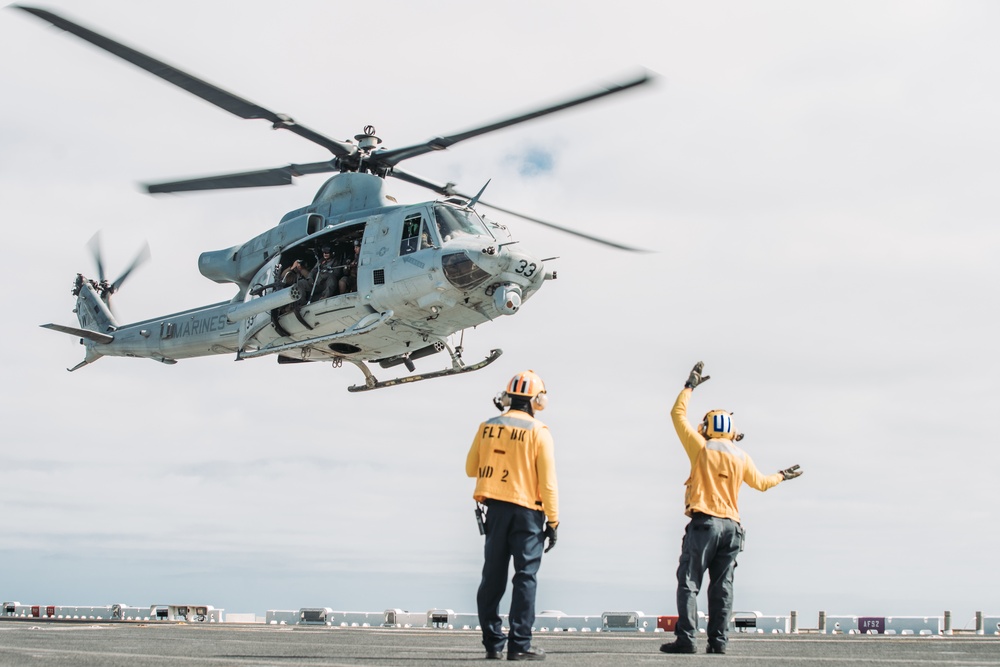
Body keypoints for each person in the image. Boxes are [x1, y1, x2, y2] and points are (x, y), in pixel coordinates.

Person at [660, 361, 802, 656]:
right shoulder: (741, 456)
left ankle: (687, 639)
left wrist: (689, 387)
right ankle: (719, 642)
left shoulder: (701, 447)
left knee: (689, 582)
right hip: (733, 528)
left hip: (705, 523)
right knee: (722, 587)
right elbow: (762, 483)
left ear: (707, 428)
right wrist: (782, 476)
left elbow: (677, 415)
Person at [466, 370, 559, 661]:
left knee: (492, 577)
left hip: (495, 511)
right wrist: (553, 521)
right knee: (525, 577)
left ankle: (493, 643)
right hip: (528, 515)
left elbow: (471, 469)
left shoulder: (487, 426)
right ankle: (519, 645)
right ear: (537, 399)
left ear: (507, 397)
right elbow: (548, 483)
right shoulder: (539, 432)